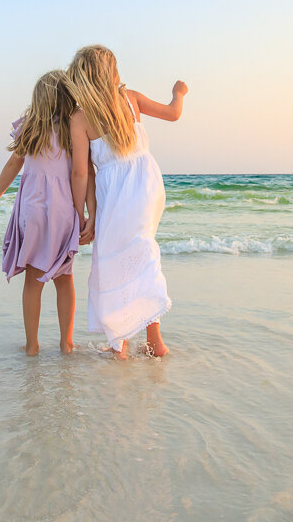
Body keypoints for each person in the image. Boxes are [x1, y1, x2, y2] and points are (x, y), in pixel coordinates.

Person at [65, 45, 187, 359]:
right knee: (142, 252)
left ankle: (120, 343)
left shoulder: (79, 119)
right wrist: (179, 92)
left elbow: (81, 172)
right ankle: (155, 341)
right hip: (146, 185)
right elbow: (174, 113)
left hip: (115, 192)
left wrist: (82, 214)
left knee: (113, 258)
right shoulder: (130, 98)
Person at [0, 70, 95, 356]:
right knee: (64, 278)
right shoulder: (74, 129)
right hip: (63, 211)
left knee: (33, 279)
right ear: (69, 96)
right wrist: (88, 212)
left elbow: (12, 166)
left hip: (32, 211)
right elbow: (86, 173)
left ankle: (32, 345)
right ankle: (66, 344)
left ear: (38, 98)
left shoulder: (30, 128)